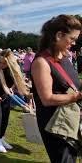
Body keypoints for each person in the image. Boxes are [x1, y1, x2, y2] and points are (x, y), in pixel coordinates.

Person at [31, 15, 82, 163]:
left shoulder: (64, 57)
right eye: (72, 39)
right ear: (59, 35)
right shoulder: (41, 62)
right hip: (54, 126)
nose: (73, 43)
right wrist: (77, 96)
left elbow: (71, 86)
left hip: (69, 119)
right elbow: (47, 99)